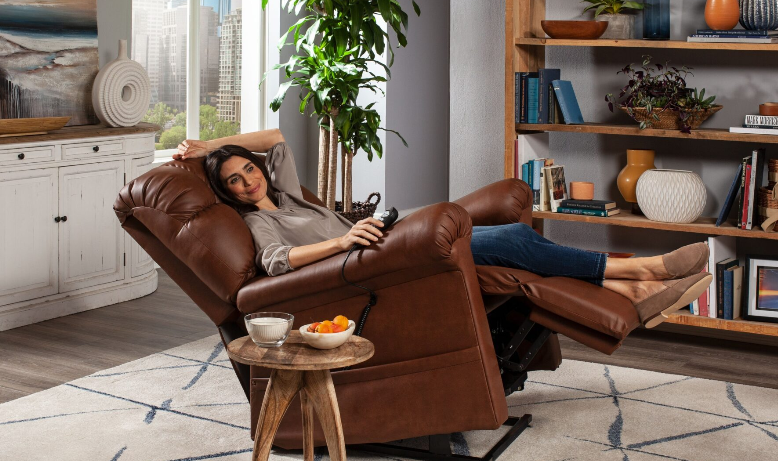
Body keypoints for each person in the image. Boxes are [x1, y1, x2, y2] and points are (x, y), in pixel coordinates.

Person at [174, 129, 712, 329]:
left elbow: (274, 137)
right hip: (364, 259)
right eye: (232, 181)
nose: (245, 182)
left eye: (247, 170)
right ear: (227, 194)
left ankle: (632, 290)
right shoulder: (258, 220)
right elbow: (273, 264)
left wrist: (207, 148)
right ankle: (643, 267)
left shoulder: (287, 190)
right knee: (514, 241)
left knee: (501, 243)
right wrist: (342, 239)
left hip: (384, 233)